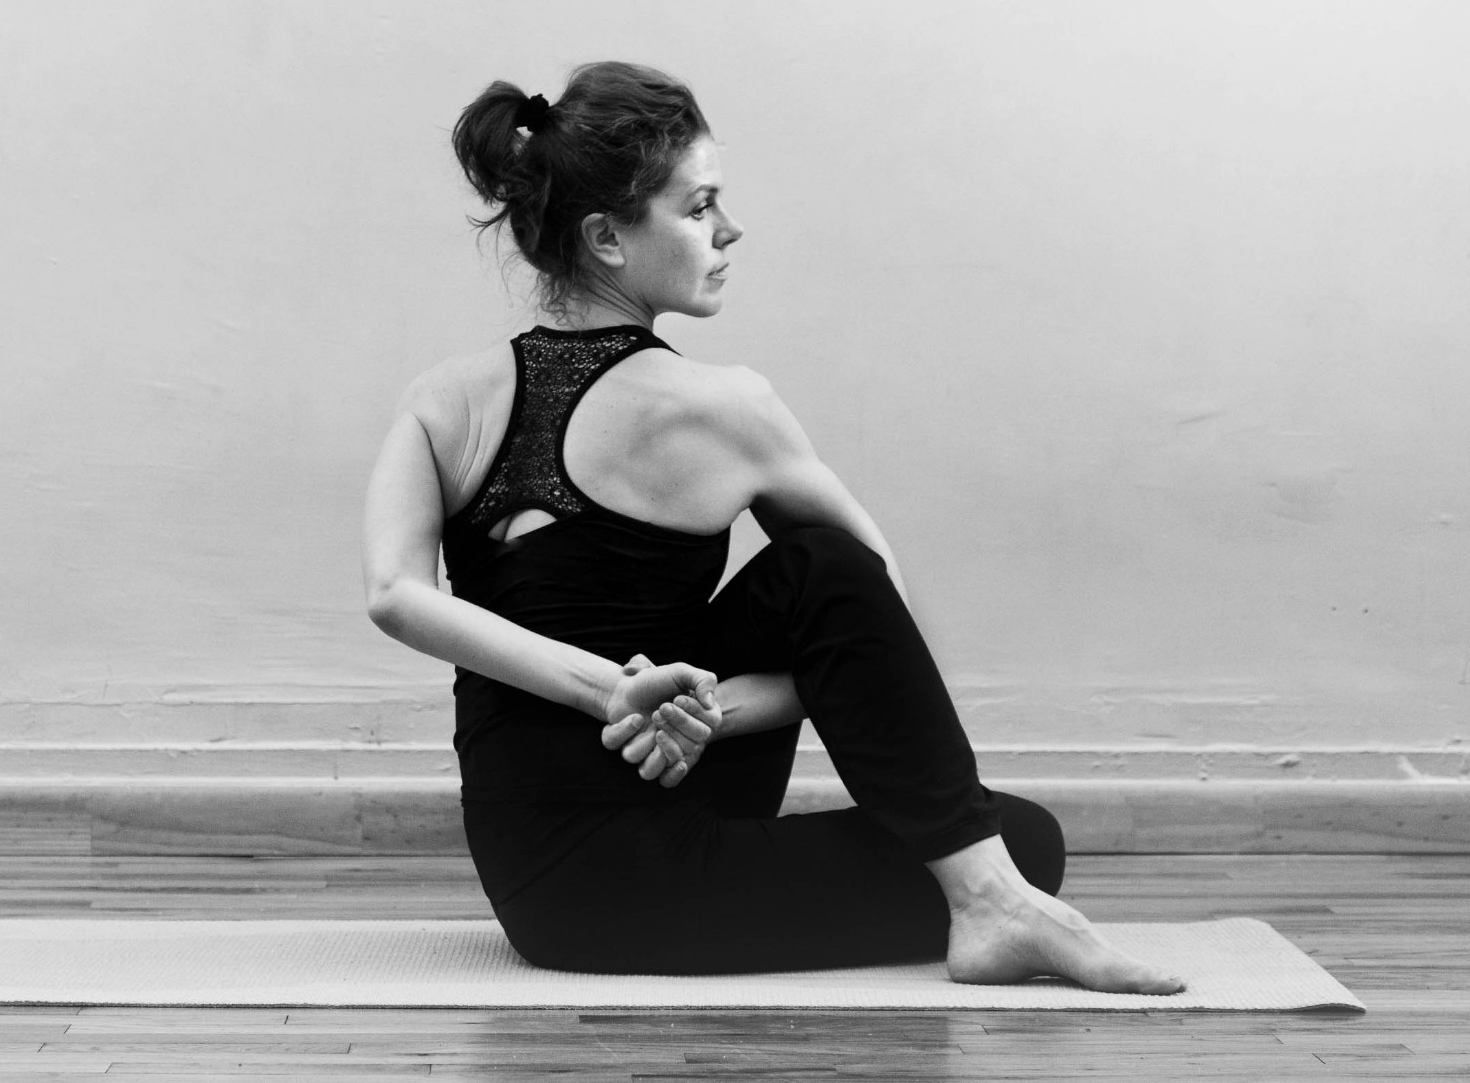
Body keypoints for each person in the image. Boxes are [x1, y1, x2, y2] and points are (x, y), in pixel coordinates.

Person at [360, 61, 1182, 991]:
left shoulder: (442, 400)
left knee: (829, 589)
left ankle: (991, 895)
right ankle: (994, 900)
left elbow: (397, 593)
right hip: (630, 891)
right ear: (606, 238)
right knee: (1018, 833)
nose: (728, 228)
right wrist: (619, 697)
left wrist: (691, 713)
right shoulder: (728, 406)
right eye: (698, 205)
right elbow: (875, 605)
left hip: (537, 882)